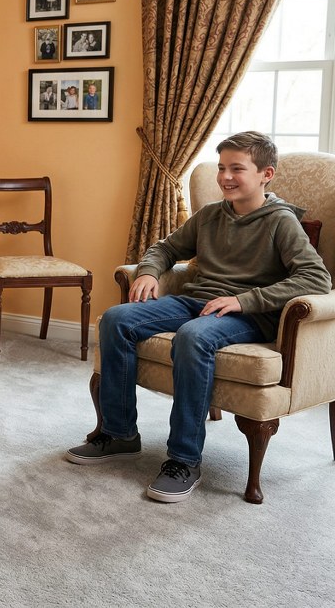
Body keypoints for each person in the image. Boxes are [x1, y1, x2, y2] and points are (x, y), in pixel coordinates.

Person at [66, 131, 331, 502]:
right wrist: (147, 271)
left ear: (265, 174)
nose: (225, 176)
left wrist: (245, 300)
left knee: (194, 336)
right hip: (196, 301)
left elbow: (317, 278)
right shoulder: (210, 215)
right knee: (116, 319)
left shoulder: (280, 222)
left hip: (249, 315)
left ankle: (184, 460)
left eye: (237, 168)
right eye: (222, 167)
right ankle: (120, 433)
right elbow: (165, 247)